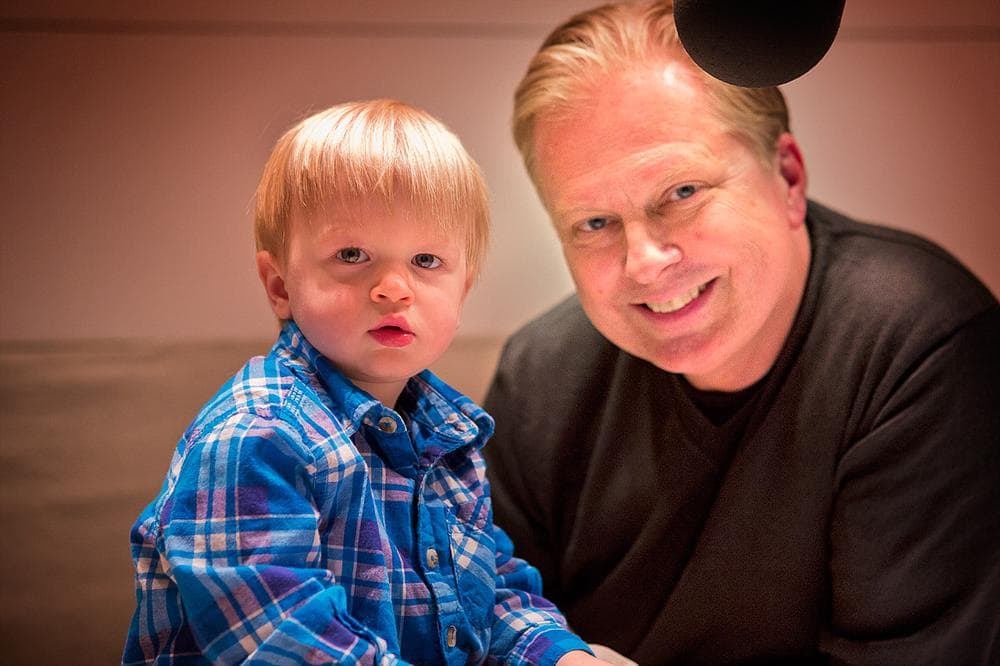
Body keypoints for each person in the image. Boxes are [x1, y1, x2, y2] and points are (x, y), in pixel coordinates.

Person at [483, 2, 1000, 663]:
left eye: (682, 191)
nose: (643, 261)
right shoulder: (538, 379)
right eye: (593, 224)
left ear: (787, 177)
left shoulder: (921, 345)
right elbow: (482, 620)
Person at [122, 99, 611, 665]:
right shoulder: (255, 436)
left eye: (427, 260)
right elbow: (285, 637)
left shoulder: (446, 439)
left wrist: (562, 657)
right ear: (280, 286)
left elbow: (491, 592)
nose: (394, 288)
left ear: (463, 289)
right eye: (353, 254)